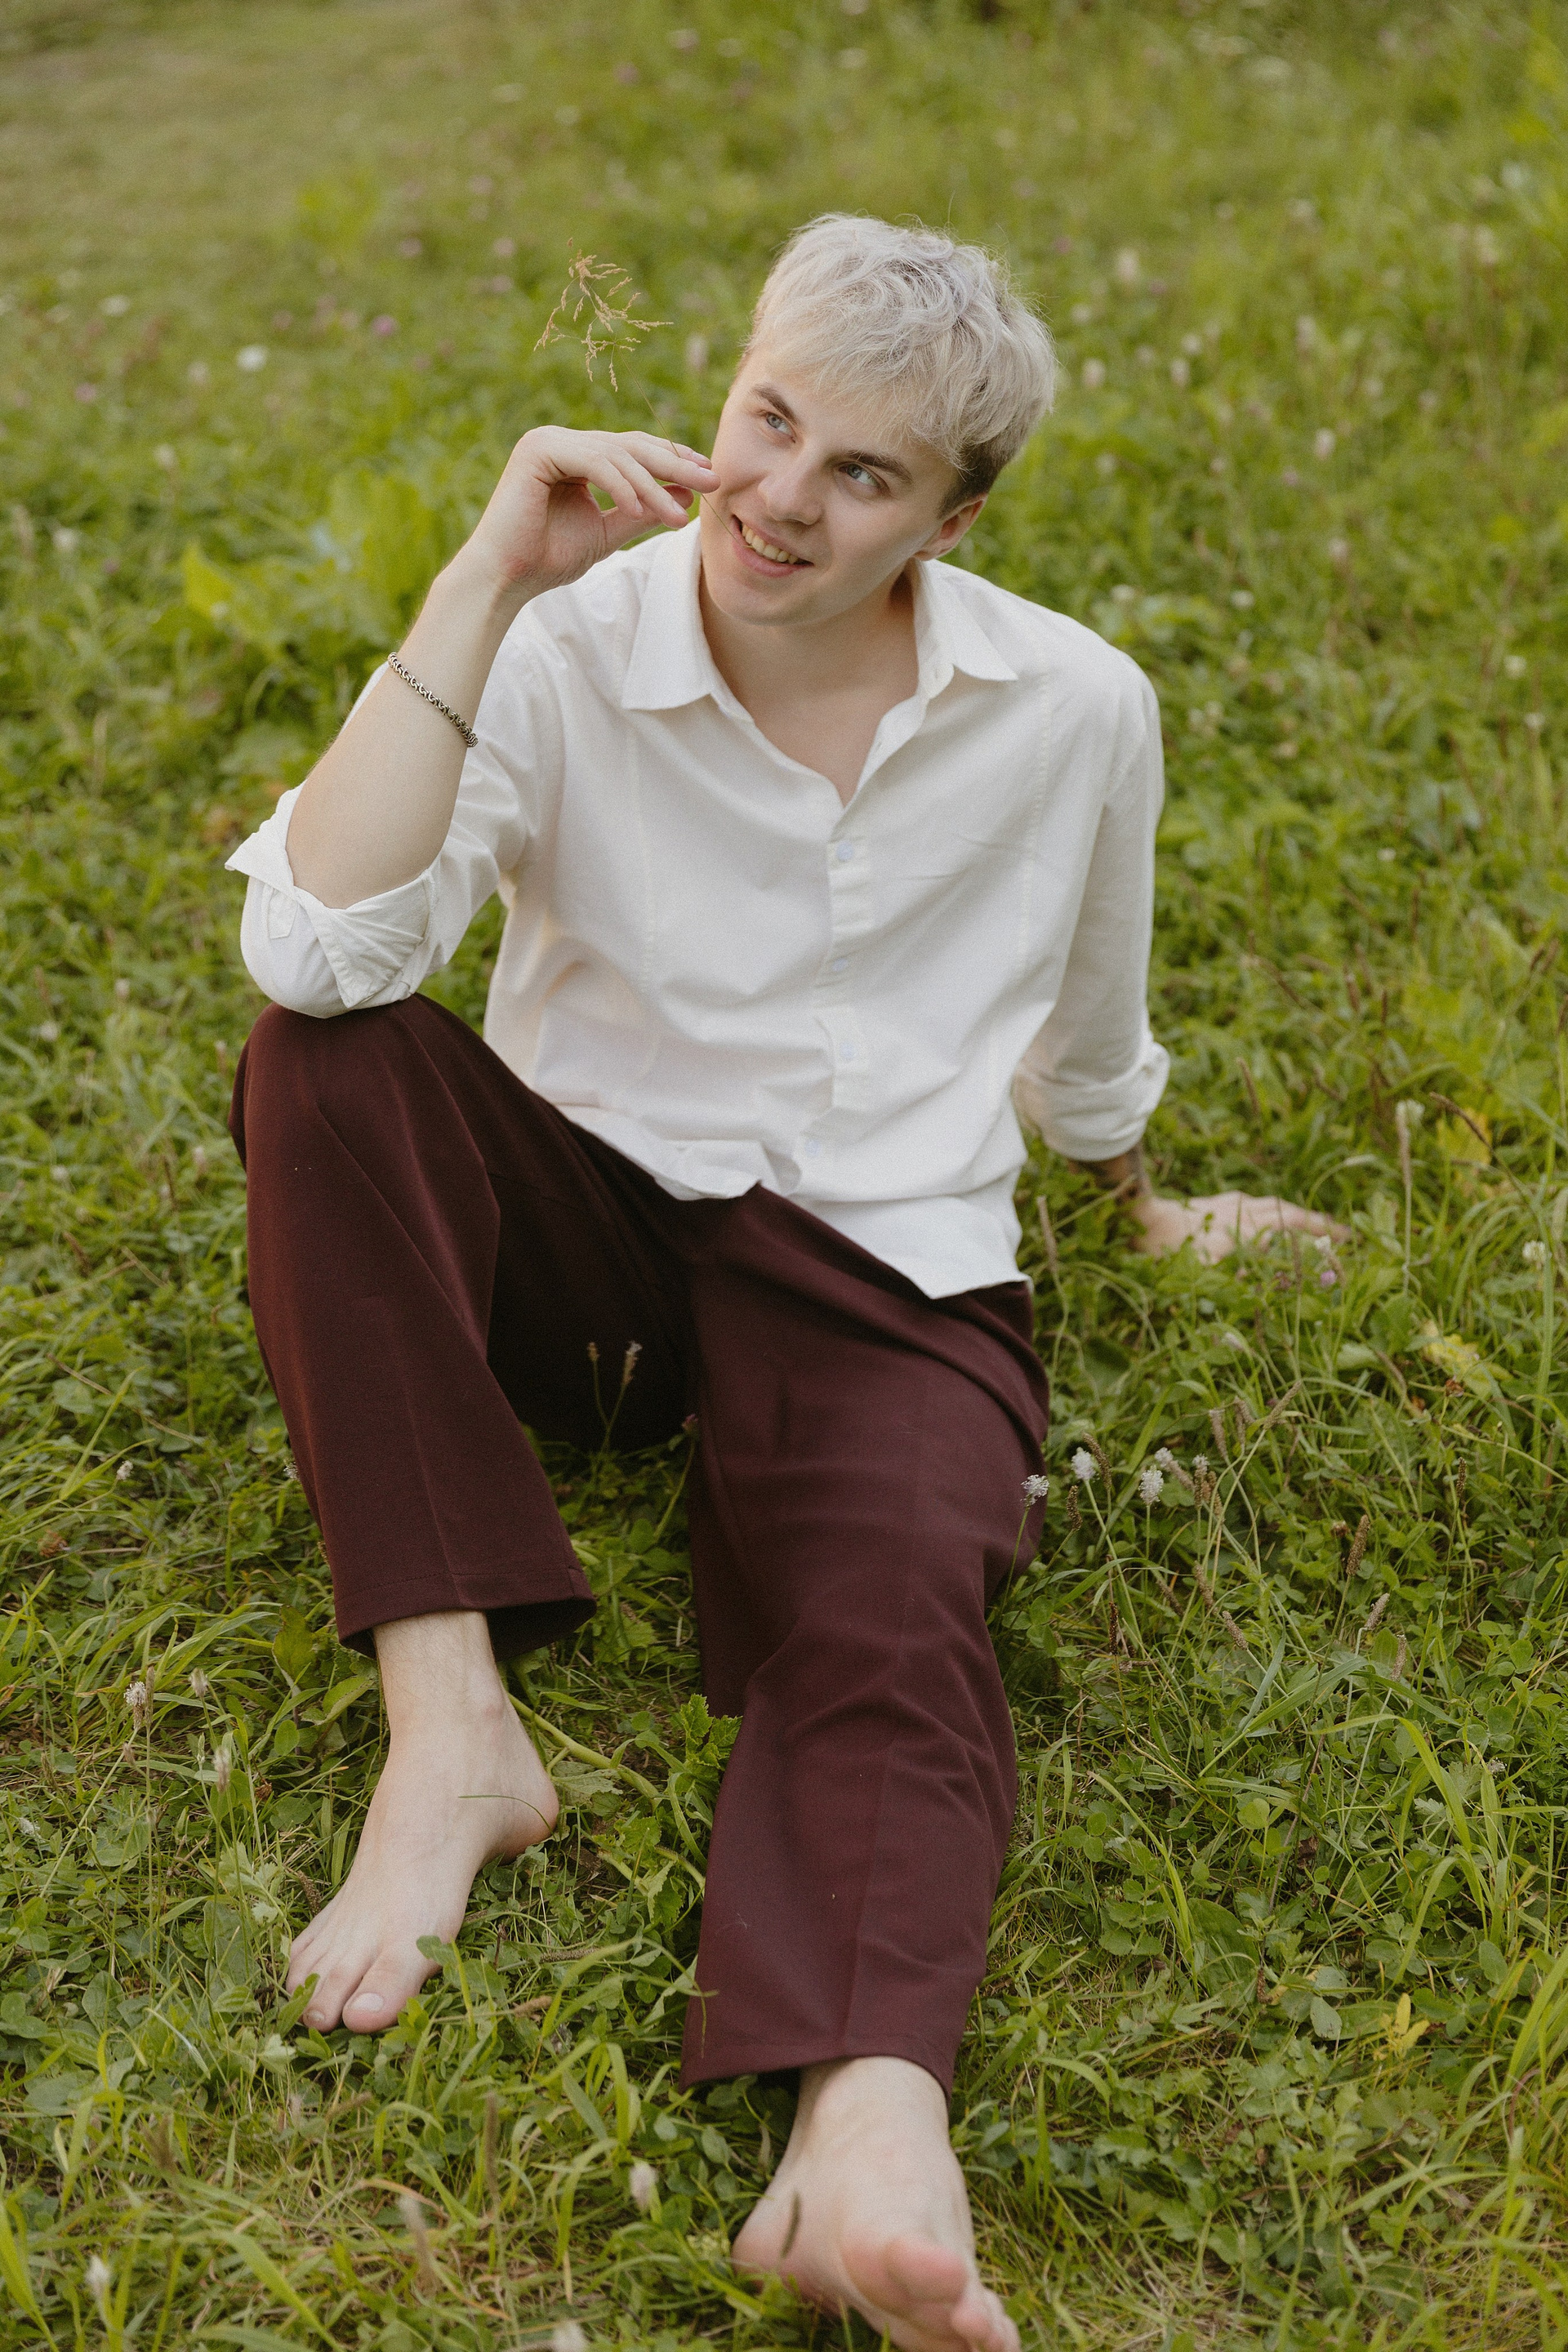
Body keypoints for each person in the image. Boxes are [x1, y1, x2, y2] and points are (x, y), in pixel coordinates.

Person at [225, 216, 1330, 2352]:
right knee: (319, 1061)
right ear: (726, 388)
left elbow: (1090, 1017)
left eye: (864, 474)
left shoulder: (1075, 707)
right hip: (597, 1247)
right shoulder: (567, 642)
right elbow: (313, 950)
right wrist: (483, 580)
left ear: (952, 519)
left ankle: (870, 2118)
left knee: (902, 1598)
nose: (783, 498)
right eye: (771, 419)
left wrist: (1143, 1206)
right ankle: (452, 1734)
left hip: (885, 1262)